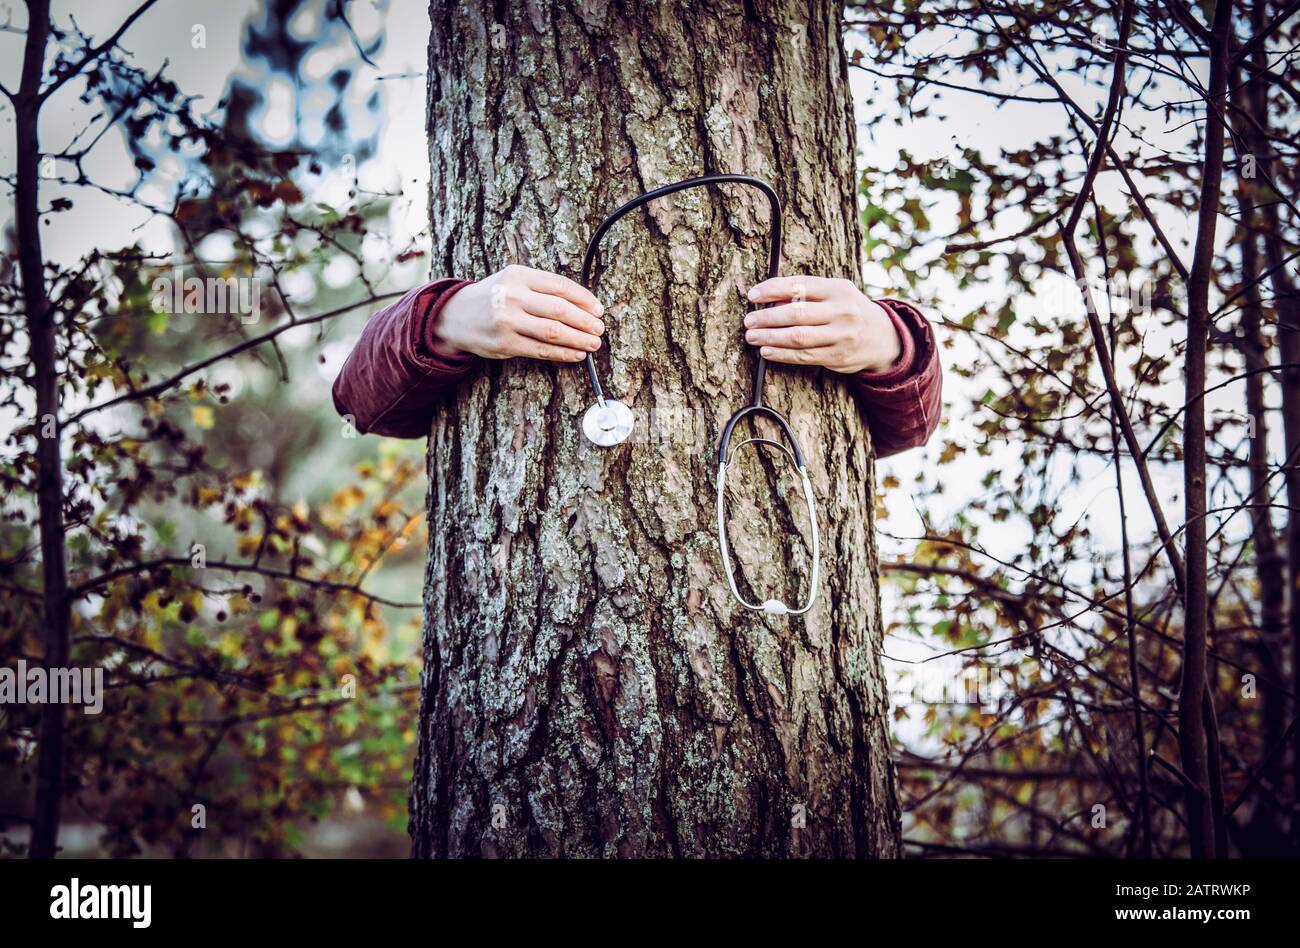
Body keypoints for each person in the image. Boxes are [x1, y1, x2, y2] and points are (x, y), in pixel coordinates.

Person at [332, 264, 941, 456]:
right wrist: (440, 319)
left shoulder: (837, 290)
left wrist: (889, 342)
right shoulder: (449, 294)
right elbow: (361, 403)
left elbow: (910, 428)